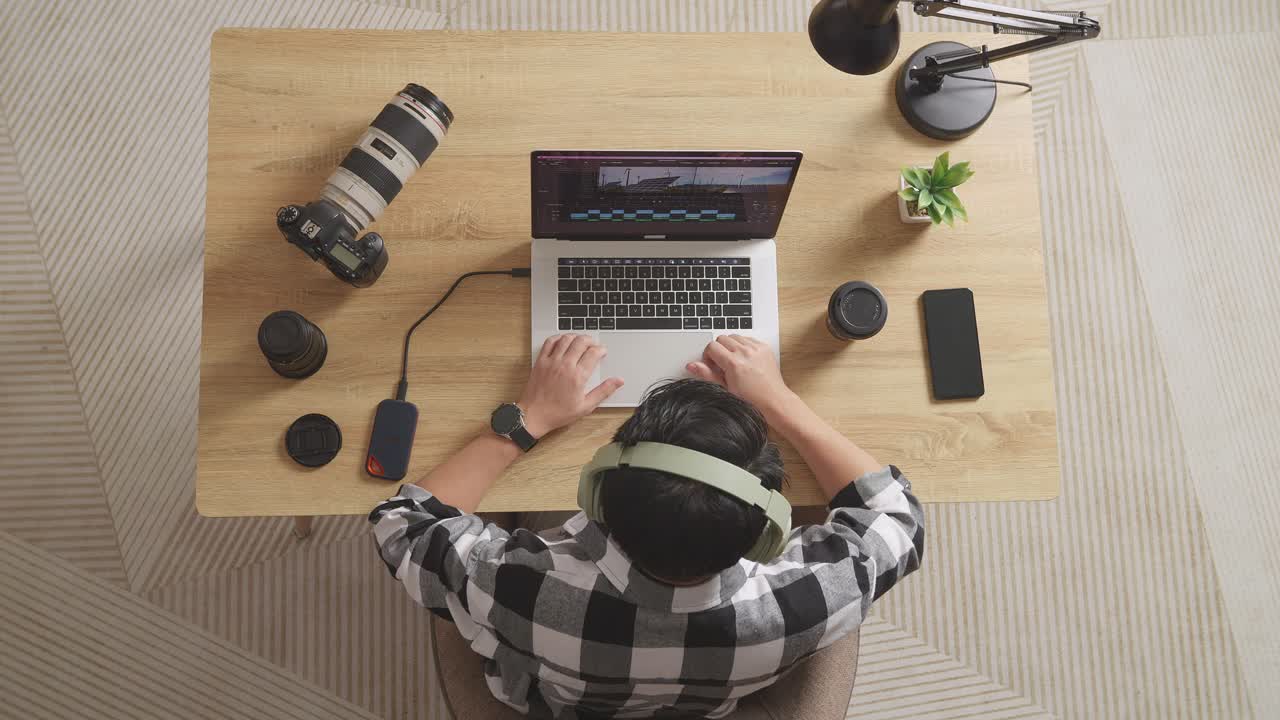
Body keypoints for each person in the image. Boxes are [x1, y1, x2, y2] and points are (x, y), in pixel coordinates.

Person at [370, 334, 924, 719]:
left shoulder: (518, 585)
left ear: (595, 494)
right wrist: (776, 399)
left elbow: (403, 523)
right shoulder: (807, 602)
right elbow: (898, 517)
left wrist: (530, 417)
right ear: (768, 534)